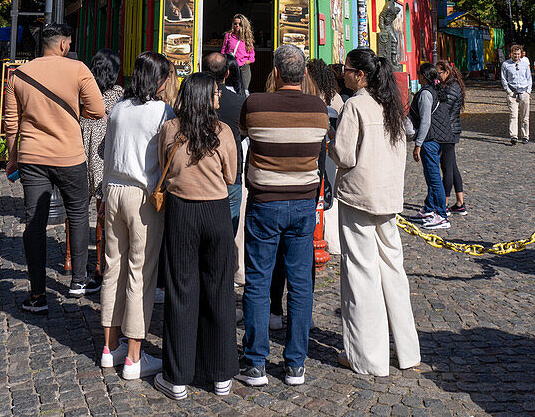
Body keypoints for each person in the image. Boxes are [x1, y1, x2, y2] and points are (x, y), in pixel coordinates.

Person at [238, 44, 329, 389]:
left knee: (259, 281)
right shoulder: (319, 109)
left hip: (264, 201)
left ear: (275, 73)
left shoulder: (255, 104)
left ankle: (256, 363)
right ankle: (295, 365)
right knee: (301, 284)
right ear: (303, 74)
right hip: (303, 203)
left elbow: (246, 135)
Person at [331, 49, 420, 377]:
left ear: (360, 75)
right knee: (393, 272)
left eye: (347, 69)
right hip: (388, 196)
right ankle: (408, 350)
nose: (344, 74)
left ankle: (368, 356)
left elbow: (344, 155)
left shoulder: (355, 105)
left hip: (358, 196)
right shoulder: (391, 106)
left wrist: (329, 143)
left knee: (360, 274)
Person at [4, 22, 105, 312]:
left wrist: (13, 157)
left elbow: (12, 124)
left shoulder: (19, 75)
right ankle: (78, 282)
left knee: (34, 221)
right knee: (76, 213)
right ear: (63, 44)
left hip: (33, 157)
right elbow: (97, 111)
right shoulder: (78, 70)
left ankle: (37, 295)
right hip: (70, 156)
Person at [154, 73, 238, 400]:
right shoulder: (223, 132)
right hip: (216, 212)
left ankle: (177, 377)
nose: (219, 98)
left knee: (181, 290)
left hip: (181, 212)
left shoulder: (170, 129)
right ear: (207, 98)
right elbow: (231, 175)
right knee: (219, 289)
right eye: (216, 94)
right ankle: (221, 374)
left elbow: (163, 163)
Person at [100, 52, 175, 379]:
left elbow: (105, 150)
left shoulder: (118, 108)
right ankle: (133, 356)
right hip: (143, 195)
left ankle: (109, 346)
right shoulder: (162, 111)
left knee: (112, 267)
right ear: (158, 79)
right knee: (140, 273)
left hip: (112, 190)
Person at [81, 49, 124, 284]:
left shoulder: (83, 93)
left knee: (76, 208)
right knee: (102, 210)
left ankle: (69, 260)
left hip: (79, 152)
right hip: (103, 156)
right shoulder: (118, 96)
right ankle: (99, 264)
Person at [202, 52, 245, 235]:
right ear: (227, 74)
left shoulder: (193, 100)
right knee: (228, 233)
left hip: (199, 169)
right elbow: (244, 133)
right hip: (231, 171)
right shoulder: (240, 101)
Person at [408, 62, 453, 230]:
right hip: (439, 138)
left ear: (423, 76)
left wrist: (418, 144)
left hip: (430, 140)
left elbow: (426, 120)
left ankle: (441, 214)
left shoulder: (426, 93)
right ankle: (429, 209)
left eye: (418, 74)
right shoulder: (435, 90)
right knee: (430, 176)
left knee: (434, 178)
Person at [436, 60, 467, 215]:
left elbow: (444, 111)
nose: (437, 76)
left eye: (438, 73)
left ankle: (445, 204)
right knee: (453, 167)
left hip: (448, 132)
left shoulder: (451, 88)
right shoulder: (451, 86)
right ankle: (460, 203)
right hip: (451, 131)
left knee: (447, 168)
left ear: (446, 72)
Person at [500, 44, 532, 144]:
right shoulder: (506, 64)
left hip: (524, 92)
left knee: (525, 117)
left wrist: (528, 91)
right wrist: (508, 91)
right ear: (511, 54)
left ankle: (525, 136)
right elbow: (504, 79)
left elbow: (529, 78)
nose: (516, 56)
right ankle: (514, 136)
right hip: (512, 93)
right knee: (513, 115)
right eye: (514, 54)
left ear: (521, 54)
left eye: (518, 54)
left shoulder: (525, 64)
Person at [221, 14, 255, 92]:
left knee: (244, 89)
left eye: (240, 24)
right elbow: (223, 50)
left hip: (243, 67)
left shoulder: (247, 37)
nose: (237, 26)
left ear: (244, 25)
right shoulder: (228, 36)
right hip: (231, 66)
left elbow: (252, 54)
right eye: (235, 23)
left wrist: (248, 61)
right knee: (230, 88)